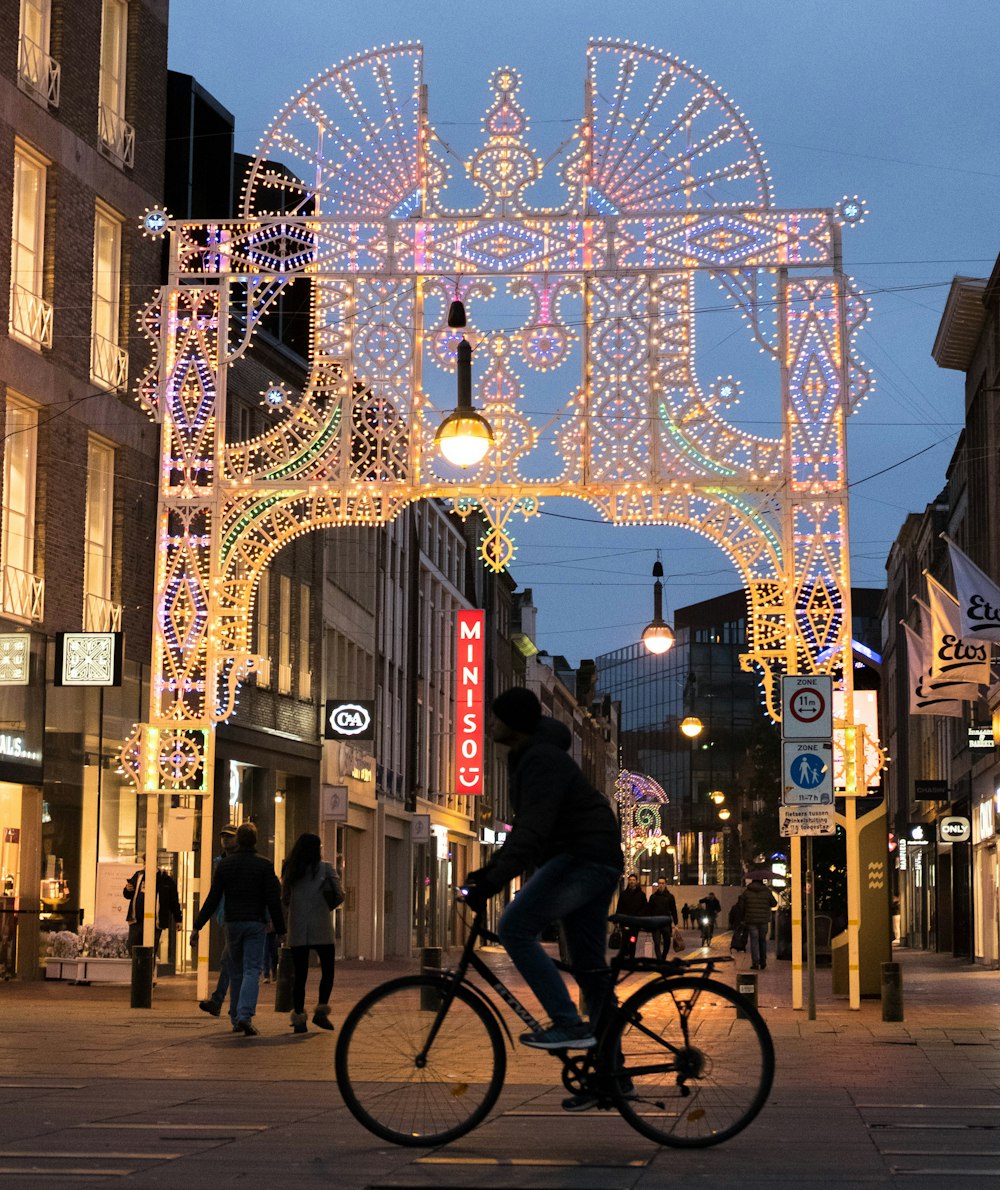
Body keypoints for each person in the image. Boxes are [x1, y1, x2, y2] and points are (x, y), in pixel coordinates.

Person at [460, 686, 623, 1109]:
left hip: (583, 856)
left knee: (514, 926)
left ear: (512, 723)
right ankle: (612, 1077)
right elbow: (531, 831)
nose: (490, 723)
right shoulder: (534, 756)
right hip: (592, 856)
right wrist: (491, 872)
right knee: (590, 969)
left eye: (495, 717)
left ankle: (568, 1022)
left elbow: (531, 832)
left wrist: (491, 880)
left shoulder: (541, 760)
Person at [190, 822, 285, 1037]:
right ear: (255, 841)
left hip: (232, 924)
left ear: (238, 840)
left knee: (235, 970)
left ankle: (235, 1019)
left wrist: (197, 926)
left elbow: (213, 898)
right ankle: (244, 1014)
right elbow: (273, 899)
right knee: (252, 969)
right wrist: (281, 929)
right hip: (255, 923)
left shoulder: (225, 866)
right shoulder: (264, 865)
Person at [281, 832, 343, 1033]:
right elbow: (339, 894)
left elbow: (286, 898)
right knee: (328, 971)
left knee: (300, 975)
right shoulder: (325, 869)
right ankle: (321, 1012)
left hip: (298, 928)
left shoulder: (290, 870)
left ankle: (299, 1018)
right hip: (321, 926)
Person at [199, 826, 239, 1019]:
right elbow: (215, 893)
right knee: (231, 961)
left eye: (230, 837)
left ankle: (223, 1002)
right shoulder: (219, 863)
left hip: (241, 917)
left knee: (231, 960)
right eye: (223, 837)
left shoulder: (242, 861)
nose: (225, 840)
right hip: (226, 917)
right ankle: (227, 1003)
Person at [123, 860, 182, 956]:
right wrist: (127, 889)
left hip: (156, 922)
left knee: (150, 951)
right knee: (132, 948)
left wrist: (178, 919)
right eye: (145, 862)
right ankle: (137, 970)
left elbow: (174, 901)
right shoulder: (139, 876)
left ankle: (149, 970)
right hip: (137, 920)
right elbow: (128, 894)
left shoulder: (166, 880)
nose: (146, 865)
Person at [741, 878, 777, 970]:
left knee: (754, 941)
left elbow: (742, 906)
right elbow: (774, 904)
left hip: (751, 920)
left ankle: (755, 963)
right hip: (763, 920)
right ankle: (763, 962)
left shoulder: (746, 892)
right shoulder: (766, 891)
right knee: (762, 940)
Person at [615, 873, 648, 959]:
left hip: (635, 924)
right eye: (630, 880)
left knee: (633, 941)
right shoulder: (623, 894)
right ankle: (625, 954)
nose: (631, 881)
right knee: (625, 941)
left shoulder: (641, 895)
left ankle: (631, 958)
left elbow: (644, 908)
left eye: (633, 880)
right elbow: (619, 907)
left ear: (636, 882)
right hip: (625, 923)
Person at [647, 877, 678, 961]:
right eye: (659, 883)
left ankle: (663, 957)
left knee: (667, 942)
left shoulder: (670, 897)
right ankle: (659, 960)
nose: (661, 885)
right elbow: (649, 910)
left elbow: (674, 910)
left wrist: (676, 923)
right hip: (655, 924)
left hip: (666, 924)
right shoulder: (653, 897)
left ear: (665, 884)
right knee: (657, 943)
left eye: (662, 883)